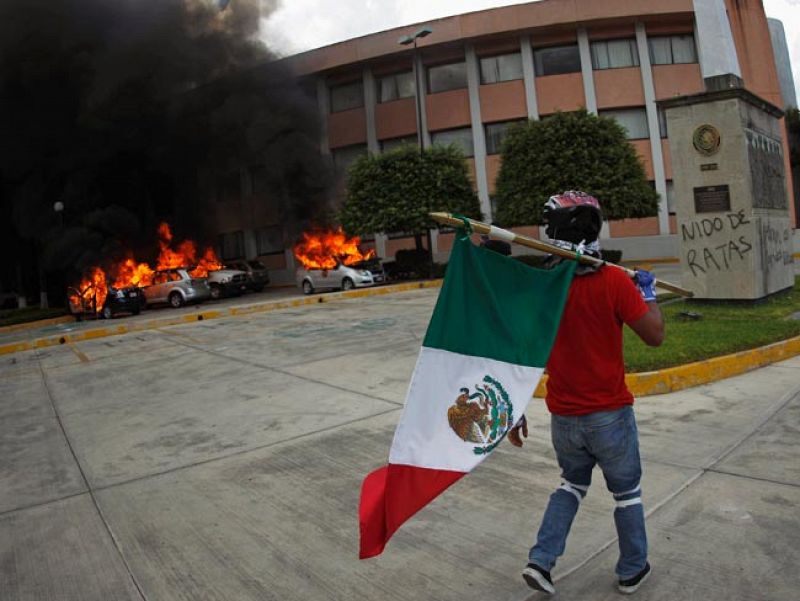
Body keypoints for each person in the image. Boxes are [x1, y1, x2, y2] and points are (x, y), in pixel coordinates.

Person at [507, 190, 664, 596]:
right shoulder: (615, 281)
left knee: (571, 486)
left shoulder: (544, 288)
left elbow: (526, 355)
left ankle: (541, 560)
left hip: (565, 419)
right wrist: (648, 294)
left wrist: (515, 409)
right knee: (626, 494)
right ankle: (632, 570)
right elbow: (655, 336)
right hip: (610, 415)